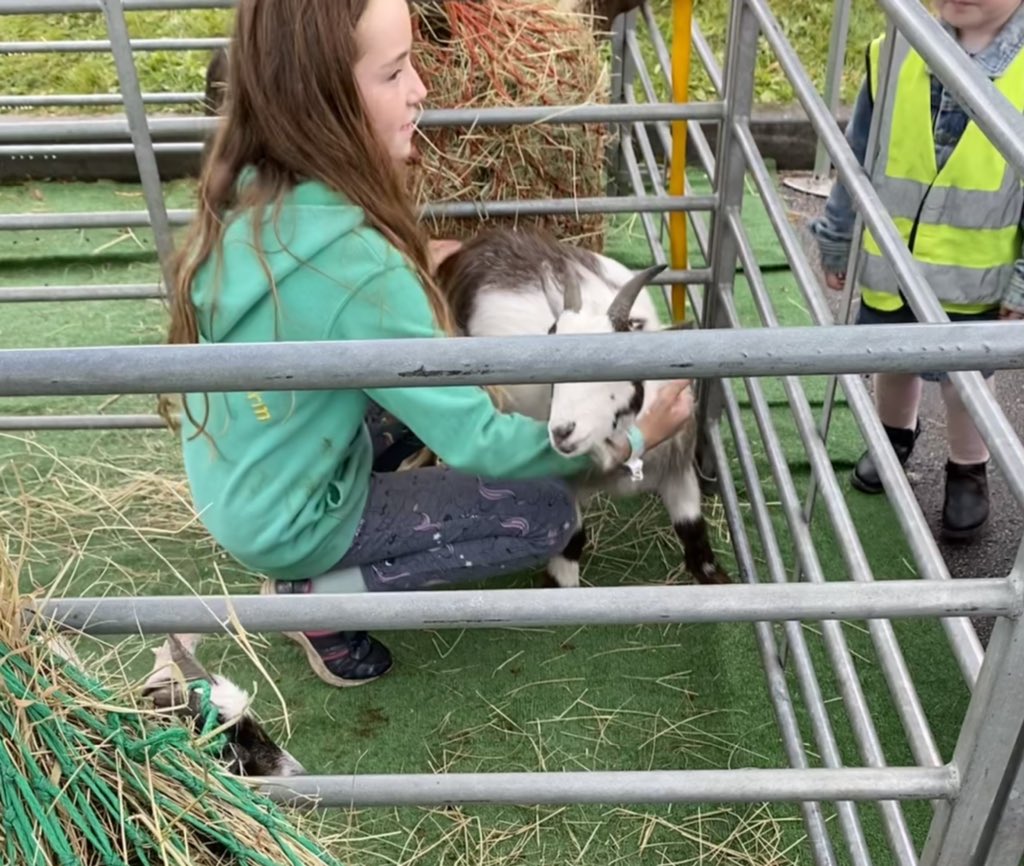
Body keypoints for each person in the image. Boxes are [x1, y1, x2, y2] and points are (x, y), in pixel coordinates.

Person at [161, 0, 695, 688]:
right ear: (322, 100)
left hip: (248, 475)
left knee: (436, 381)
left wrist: (413, 273)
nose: (419, 89)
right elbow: (479, 441)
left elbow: (332, 305)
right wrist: (634, 441)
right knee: (544, 512)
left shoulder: (254, 193)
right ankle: (313, 602)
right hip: (292, 520)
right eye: (394, 73)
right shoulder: (359, 274)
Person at [809, 0, 1024, 542]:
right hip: (894, 265)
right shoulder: (896, 49)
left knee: (966, 381)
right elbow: (856, 155)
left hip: (975, 278)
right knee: (893, 357)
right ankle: (893, 437)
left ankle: (968, 467)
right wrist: (837, 234)